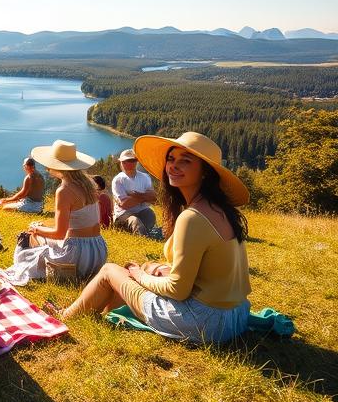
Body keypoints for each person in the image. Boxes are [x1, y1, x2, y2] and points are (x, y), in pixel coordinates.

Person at [51, 132, 251, 345]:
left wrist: (138, 275)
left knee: (110, 270)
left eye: (185, 161)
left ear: (205, 172)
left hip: (205, 323)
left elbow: (177, 290)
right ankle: (99, 309)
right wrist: (150, 271)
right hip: (235, 315)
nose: (173, 166)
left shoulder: (193, 217)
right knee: (150, 266)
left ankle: (66, 316)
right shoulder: (220, 209)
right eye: (171, 159)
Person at [4, 140, 107, 285]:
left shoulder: (64, 190)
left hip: (78, 256)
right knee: (41, 231)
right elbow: (77, 224)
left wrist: (37, 228)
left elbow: (59, 233)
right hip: (98, 252)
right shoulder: (89, 184)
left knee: (32, 236)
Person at [111, 148, 157, 236]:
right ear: (120, 162)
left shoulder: (145, 177)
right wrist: (145, 197)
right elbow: (125, 204)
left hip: (142, 211)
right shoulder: (118, 180)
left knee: (150, 214)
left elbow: (154, 198)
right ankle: (144, 240)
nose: (125, 163)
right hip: (123, 214)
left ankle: (147, 236)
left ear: (136, 161)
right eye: (123, 161)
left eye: (131, 160)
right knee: (135, 221)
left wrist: (135, 195)